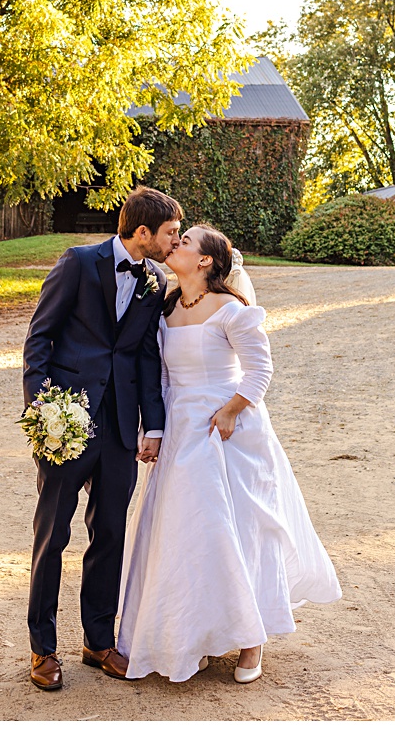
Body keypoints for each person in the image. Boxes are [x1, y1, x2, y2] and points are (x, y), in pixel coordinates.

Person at [117, 223, 340, 683]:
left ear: (205, 261)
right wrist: (153, 429)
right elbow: (160, 379)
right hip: (181, 429)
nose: (175, 244)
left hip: (229, 432)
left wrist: (232, 410)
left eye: (186, 241)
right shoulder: (166, 310)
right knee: (188, 534)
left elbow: (260, 370)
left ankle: (251, 640)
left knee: (238, 529)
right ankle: (196, 634)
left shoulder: (233, 310)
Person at [22, 186, 181, 692]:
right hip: (67, 421)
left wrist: (151, 425)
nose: (174, 243)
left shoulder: (154, 281)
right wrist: (42, 409)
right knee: (53, 537)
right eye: (169, 234)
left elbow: (146, 358)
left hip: (118, 430)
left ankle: (97, 641)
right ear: (142, 233)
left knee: (110, 533)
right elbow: (39, 337)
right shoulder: (77, 263)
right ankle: (41, 649)